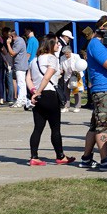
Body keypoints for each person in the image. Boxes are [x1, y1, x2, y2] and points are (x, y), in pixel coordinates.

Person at [79, 15, 107, 171]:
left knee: (95, 127)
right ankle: (105, 161)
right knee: (103, 127)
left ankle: (86, 158)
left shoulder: (103, 45)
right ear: (103, 30)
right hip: (105, 91)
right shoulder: (96, 45)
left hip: (106, 89)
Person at [25, 37, 76, 165]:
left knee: (38, 128)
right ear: (50, 44)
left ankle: (34, 156)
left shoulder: (34, 60)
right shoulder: (52, 58)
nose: (59, 45)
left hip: (38, 97)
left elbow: (28, 78)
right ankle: (60, 156)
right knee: (55, 128)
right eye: (57, 43)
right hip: (48, 95)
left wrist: (34, 92)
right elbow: (47, 77)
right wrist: (38, 92)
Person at [5, 29, 29, 108]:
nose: (8, 38)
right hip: (20, 65)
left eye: (9, 37)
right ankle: (24, 100)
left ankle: (19, 101)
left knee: (20, 83)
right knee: (22, 83)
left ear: (11, 36)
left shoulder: (18, 42)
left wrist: (8, 44)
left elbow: (12, 53)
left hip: (20, 65)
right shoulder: (20, 40)